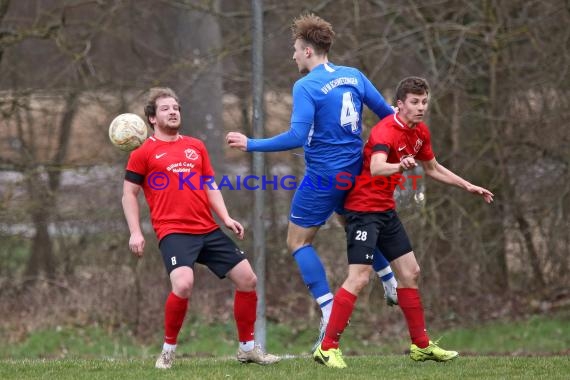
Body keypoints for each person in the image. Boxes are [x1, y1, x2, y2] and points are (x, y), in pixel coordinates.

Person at [226, 13, 398, 350]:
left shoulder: (306, 85)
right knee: (352, 223)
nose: (292, 56)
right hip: (357, 170)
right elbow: (389, 115)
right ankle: (389, 280)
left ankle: (327, 308)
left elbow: (296, 135)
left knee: (298, 242)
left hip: (324, 177)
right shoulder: (354, 75)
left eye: (294, 50)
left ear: (307, 51)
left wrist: (251, 144)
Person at [313, 76, 494, 368]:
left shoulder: (419, 131)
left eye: (424, 101)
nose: (421, 107)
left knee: (410, 273)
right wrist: (401, 165)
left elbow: (433, 168)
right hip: (362, 211)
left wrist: (468, 185)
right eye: (414, 102)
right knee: (359, 278)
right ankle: (327, 347)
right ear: (400, 104)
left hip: (385, 210)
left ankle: (421, 346)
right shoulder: (386, 130)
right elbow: (376, 167)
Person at [121, 87, 280, 369]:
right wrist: (135, 231)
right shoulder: (143, 153)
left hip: (207, 228)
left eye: (176, 107)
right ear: (152, 118)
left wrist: (226, 218)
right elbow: (129, 194)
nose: (173, 112)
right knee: (183, 284)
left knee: (248, 279)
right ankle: (168, 350)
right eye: (165, 108)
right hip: (173, 231)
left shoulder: (196, 146)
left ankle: (247, 349)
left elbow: (210, 185)